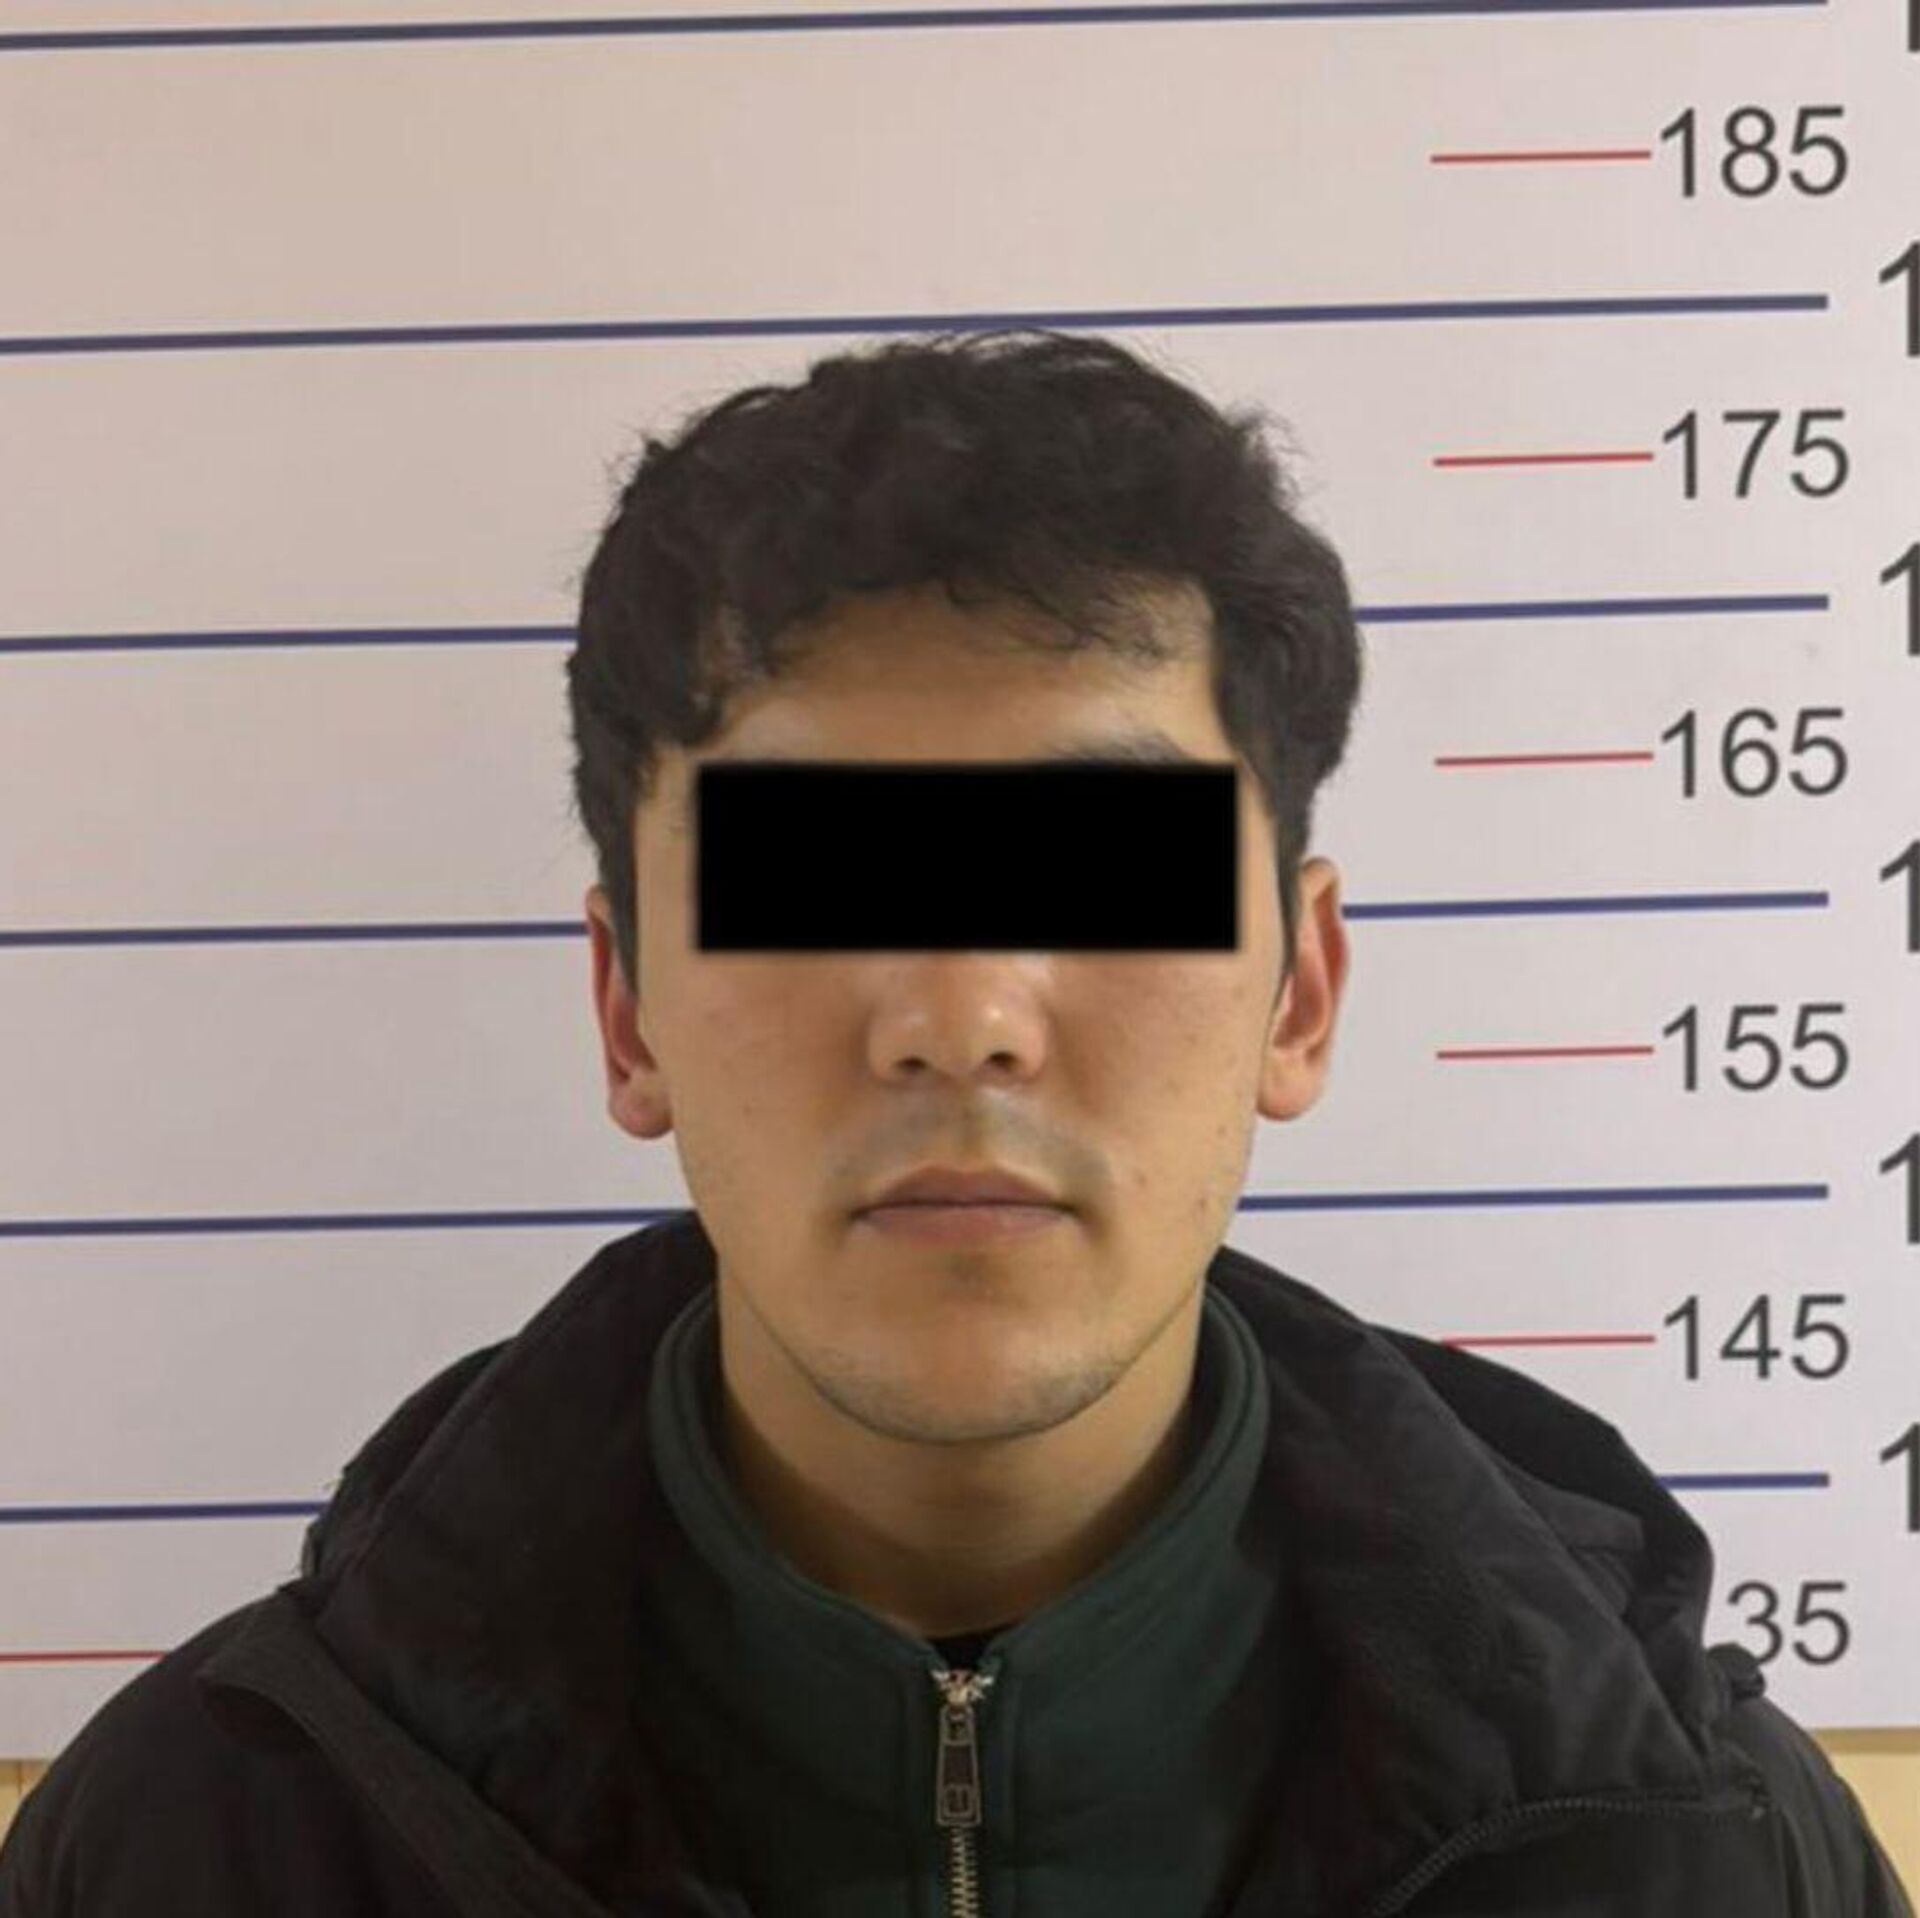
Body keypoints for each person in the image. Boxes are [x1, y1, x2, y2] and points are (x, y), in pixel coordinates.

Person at [1, 329, 1909, 1918]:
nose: (961, 1018)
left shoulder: (1712, 1862)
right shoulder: (190, 1855)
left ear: (1299, 993)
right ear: (628, 1008)